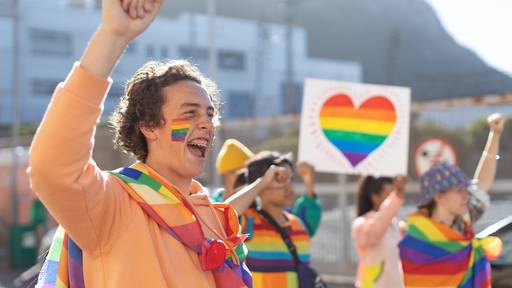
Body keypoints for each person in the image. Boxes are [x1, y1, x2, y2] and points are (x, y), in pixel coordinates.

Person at [28, 0, 250, 287]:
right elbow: (52, 166)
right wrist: (112, 36)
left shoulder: (215, 215)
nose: (207, 124)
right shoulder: (112, 206)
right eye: (190, 113)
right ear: (148, 126)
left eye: (209, 114)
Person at [398, 113, 505, 287]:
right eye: (458, 191)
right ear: (439, 197)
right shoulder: (412, 235)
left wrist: (495, 134)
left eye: (465, 190)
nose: (466, 195)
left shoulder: (462, 220)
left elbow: (482, 182)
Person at [226, 151, 324, 287]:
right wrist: (262, 182)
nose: (288, 186)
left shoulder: (298, 224)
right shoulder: (248, 222)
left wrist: (309, 184)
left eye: (291, 179)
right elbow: (224, 213)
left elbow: (312, 212)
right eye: (280, 179)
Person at [352, 175, 408, 288]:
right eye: (389, 195)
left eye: (394, 194)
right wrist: (397, 196)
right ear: (375, 197)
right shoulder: (361, 224)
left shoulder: (396, 225)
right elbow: (375, 233)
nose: (393, 199)